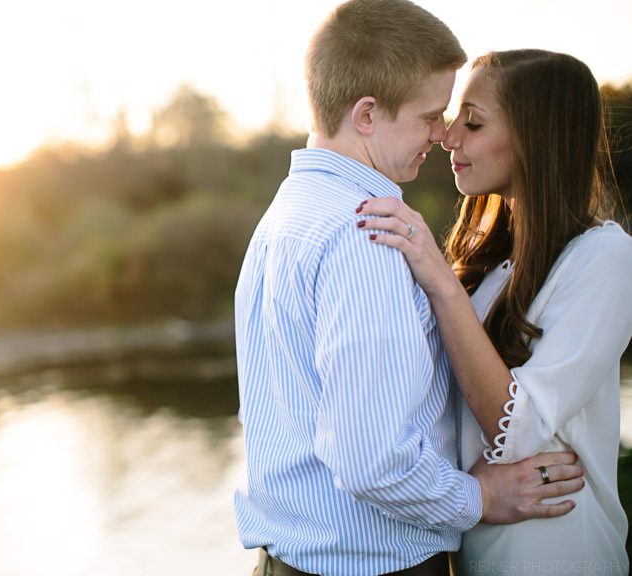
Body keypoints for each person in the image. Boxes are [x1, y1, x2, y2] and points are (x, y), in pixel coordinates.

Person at [233, 1, 584, 574]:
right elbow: (374, 462)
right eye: (430, 116)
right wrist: (483, 498)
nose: (443, 134)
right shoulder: (365, 234)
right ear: (367, 114)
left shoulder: (284, 215)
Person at [358, 49, 632, 573]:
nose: (448, 135)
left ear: (535, 138)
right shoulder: (487, 261)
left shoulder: (605, 258)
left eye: (473, 122)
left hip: (558, 552)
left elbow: (516, 431)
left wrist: (438, 280)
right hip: (477, 551)